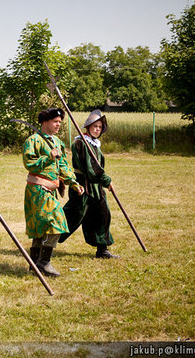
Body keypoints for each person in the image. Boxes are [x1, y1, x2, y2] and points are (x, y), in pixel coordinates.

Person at [23, 108, 84, 277]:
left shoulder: (57, 142)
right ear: (44, 122)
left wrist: (73, 182)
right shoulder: (33, 140)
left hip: (51, 191)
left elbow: (63, 165)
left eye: (59, 122)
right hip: (37, 191)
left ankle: (34, 264)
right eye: (55, 121)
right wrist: (48, 157)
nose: (58, 125)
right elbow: (29, 163)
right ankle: (43, 263)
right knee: (55, 222)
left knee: (44, 227)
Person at [60, 109, 119, 259]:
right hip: (82, 186)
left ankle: (102, 249)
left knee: (102, 215)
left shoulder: (94, 144)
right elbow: (91, 170)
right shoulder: (80, 143)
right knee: (72, 216)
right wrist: (107, 180)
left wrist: (102, 182)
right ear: (88, 127)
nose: (97, 129)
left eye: (100, 127)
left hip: (96, 188)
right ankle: (46, 242)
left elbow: (97, 167)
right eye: (95, 126)